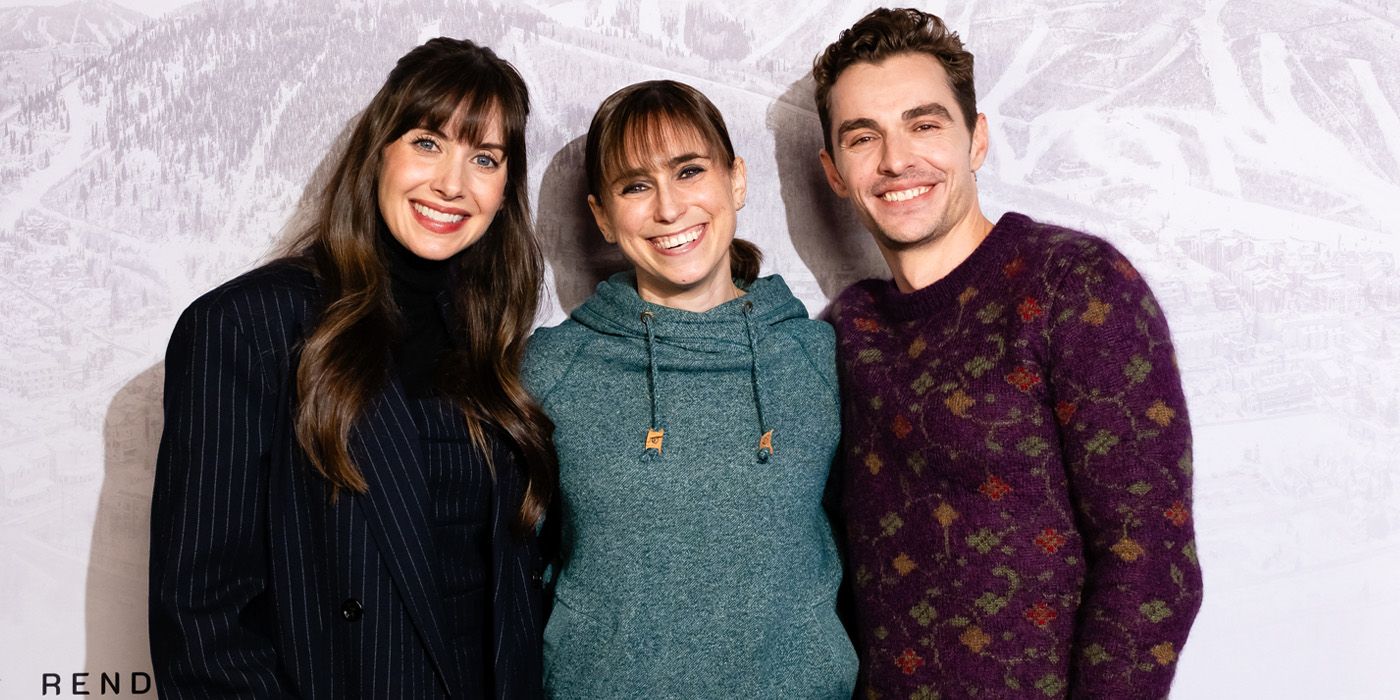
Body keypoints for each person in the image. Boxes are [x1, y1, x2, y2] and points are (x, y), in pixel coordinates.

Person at [811, 8, 1203, 698]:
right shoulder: (848, 328)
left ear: (977, 140)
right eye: (863, 137)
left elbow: (1151, 562)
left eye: (924, 124)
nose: (897, 159)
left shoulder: (1076, 283)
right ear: (835, 172)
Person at [148, 38, 555, 699]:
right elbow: (201, 617)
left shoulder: (490, 342)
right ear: (380, 153)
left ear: (505, 188)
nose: (452, 183)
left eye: (484, 158)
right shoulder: (250, 327)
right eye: (428, 143)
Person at [523, 80, 857, 698]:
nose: (669, 209)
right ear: (601, 214)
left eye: (689, 171)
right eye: (635, 185)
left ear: (735, 180)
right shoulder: (553, 370)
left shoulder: (818, 360)